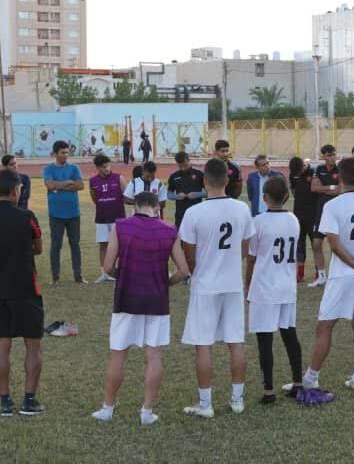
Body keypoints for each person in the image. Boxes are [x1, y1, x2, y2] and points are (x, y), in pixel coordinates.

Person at [92, 192, 191, 426]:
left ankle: (107, 409)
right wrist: (164, 282)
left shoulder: (121, 226)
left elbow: (107, 266)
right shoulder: (169, 230)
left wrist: (123, 275)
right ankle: (146, 412)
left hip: (127, 298)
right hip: (156, 300)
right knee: (154, 355)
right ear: (157, 208)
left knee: (119, 355)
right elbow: (183, 270)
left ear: (134, 207)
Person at [179, 158, 255, 418]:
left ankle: (205, 404)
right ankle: (237, 400)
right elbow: (246, 248)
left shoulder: (193, 213)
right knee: (235, 342)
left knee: (203, 345)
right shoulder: (242, 208)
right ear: (227, 181)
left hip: (205, 285)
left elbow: (188, 255)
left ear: (204, 181)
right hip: (232, 283)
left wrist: (195, 271)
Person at [301, 157, 354, 394]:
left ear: (339, 177)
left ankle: (311, 377)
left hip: (343, 275)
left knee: (324, 327)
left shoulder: (332, 205)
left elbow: (334, 245)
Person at [0, 168, 46, 417]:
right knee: (33, 346)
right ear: (15, 190)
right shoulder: (27, 216)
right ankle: (29, 401)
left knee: (1, 345)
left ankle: (5, 402)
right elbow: (38, 248)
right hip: (26, 287)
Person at [245, 177, 304, 404]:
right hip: (286, 286)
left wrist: (247, 286)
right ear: (286, 196)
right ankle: (297, 382)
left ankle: (269, 390)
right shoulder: (293, 219)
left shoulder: (258, 222)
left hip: (264, 286)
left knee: (265, 338)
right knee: (290, 334)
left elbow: (251, 258)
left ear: (264, 197)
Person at [43, 141, 84, 285]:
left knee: (75, 244)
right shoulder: (48, 169)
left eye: (67, 152)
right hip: (56, 214)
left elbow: (80, 185)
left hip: (74, 213)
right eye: (62, 153)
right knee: (56, 245)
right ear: (55, 154)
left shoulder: (74, 168)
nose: (65, 155)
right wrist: (68, 183)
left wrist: (59, 185)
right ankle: (55, 277)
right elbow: (50, 185)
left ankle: (78, 276)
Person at [90, 154, 128, 283]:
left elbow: (127, 196)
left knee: (119, 246)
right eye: (103, 167)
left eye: (107, 166)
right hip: (101, 218)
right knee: (103, 245)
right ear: (97, 168)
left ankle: (118, 272)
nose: (106, 169)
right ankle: (104, 274)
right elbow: (95, 199)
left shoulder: (119, 178)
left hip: (118, 218)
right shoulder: (93, 181)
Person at [307, 144, 340, 288]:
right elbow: (314, 188)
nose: (332, 158)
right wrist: (331, 188)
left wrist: (324, 189)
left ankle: (334, 275)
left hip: (336, 212)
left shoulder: (340, 170)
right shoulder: (318, 169)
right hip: (321, 212)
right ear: (323, 156)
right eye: (328, 155)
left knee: (335, 246)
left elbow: (341, 189)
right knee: (316, 244)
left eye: (333, 154)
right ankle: (321, 276)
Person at [287, 157, 316, 282]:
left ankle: (318, 272)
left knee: (316, 243)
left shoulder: (314, 173)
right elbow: (293, 191)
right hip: (298, 213)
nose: (297, 174)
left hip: (313, 214)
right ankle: (300, 273)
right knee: (299, 243)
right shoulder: (293, 175)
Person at [167, 151, 206, 228]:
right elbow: (169, 194)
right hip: (180, 214)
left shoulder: (199, 174)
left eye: (185, 165)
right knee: (181, 236)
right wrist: (176, 196)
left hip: (197, 212)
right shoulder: (174, 176)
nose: (183, 168)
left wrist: (197, 194)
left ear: (189, 160)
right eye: (180, 166)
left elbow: (209, 192)